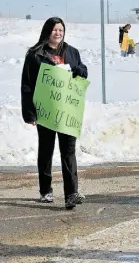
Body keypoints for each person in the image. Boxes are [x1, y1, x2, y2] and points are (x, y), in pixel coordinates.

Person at [21, 17, 88, 210]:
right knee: (46, 150)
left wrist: (78, 70)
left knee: (68, 151)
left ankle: (71, 194)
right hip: (46, 111)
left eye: (60, 30)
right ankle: (45, 190)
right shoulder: (35, 54)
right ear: (47, 31)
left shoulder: (72, 52)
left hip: (67, 111)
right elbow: (27, 84)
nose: (58, 33)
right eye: (54, 30)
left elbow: (83, 71)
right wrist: (30, 113)